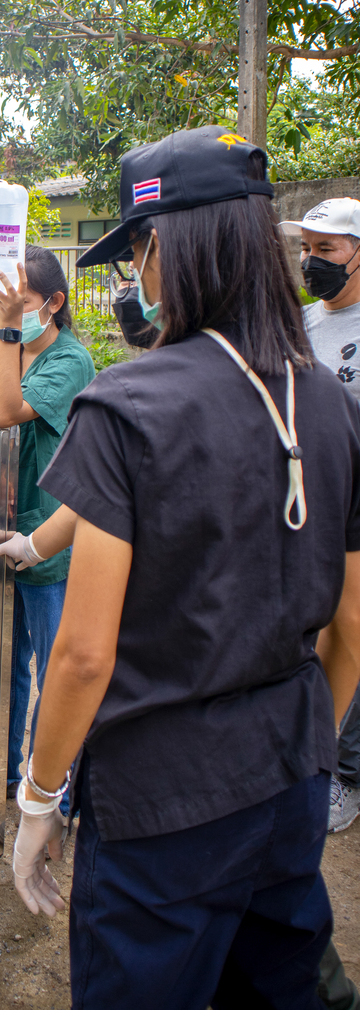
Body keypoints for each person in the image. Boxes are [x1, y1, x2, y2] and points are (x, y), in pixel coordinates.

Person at [0, 126, 360, 1010]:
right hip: (289, 782)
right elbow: (349, 626)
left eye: (136, 255)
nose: (136, 280)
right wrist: (304, 747)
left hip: (162, 804)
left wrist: (38, 802)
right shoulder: (330, 398)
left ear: (164, 246)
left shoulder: (125, 402)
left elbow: (83, 656)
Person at [0, 244, 95, 802]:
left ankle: (59, 794)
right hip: (13, 530)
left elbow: (1, 413)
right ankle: (3, 773)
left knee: (55, 671)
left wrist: (6, 333)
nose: (10, 311)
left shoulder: (68, 361)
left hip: (50, 540)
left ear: (53, 303)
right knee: (11, 665)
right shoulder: (21, 353)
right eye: (2, 302)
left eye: (20, 302)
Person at [280, 197, 360, 836]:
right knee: (313, 631)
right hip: (306, 502)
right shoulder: (304, 322)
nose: (311, 262)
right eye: (306, 249)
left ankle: (337, 773)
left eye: (326, 250)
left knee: (351, 631)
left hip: (354, 506)